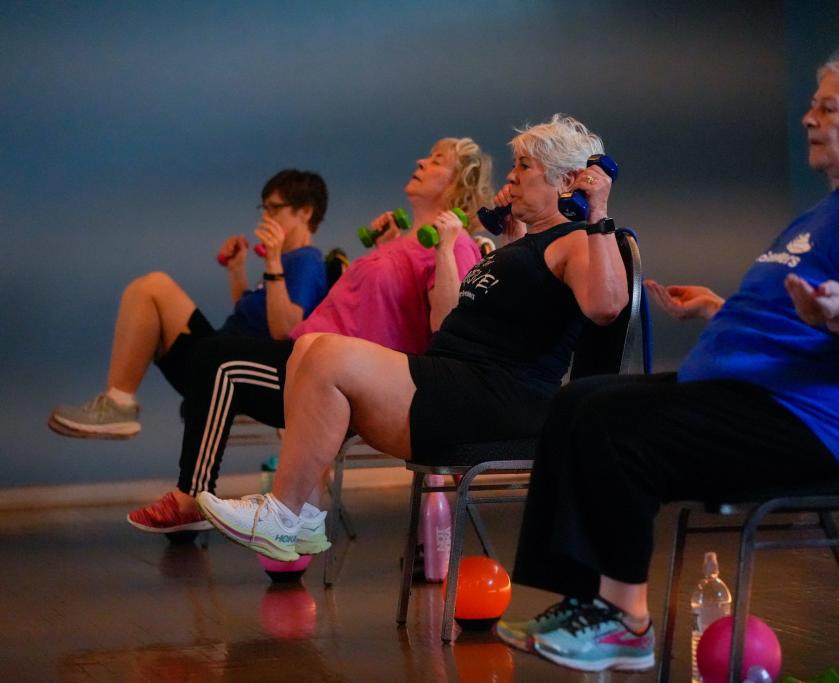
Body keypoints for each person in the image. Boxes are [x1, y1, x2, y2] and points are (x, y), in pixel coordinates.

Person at [496, 53, 839, 674]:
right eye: (812, 104)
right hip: (759, 396)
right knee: (582, 400)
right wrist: (719, 311)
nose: (808, 118)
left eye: (828, 107)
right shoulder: (828, 211)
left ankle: (624, 621)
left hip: (816, 419)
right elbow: (797, 317)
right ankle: (586, 603)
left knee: (614, 426)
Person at [196, 114, 630, 563]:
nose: (511, 177)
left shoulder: (580, 240)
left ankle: (283, 513)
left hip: (496, 396)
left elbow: (607, 305)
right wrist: (512, 231)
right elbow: (504, 306)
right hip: (458, 379)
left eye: (523, 167)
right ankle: (301, 518)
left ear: (565, 181)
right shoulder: (530, 242)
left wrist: (597, 212)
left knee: (324, 354)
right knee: (308, 347)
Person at [127, 137, 492, 534]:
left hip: (335, 376)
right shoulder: (399, 244)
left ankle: (191, 498)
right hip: (305, 352)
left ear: (459, 183)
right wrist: (387, 250)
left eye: (437, 161)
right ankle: (203, 498)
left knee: (220, 362)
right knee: (209, 355)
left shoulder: (456, 246)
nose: (422, 160)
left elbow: (447, 327)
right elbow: (379, 305)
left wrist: (446, 247)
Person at [49, 169, 330, 439]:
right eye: (264, 209)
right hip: (222, 354)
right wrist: (236, 270)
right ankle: (118, 401)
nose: (265, 217)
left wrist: (272, 262)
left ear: (305, 211)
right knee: (142, 291)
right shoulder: (283, 263)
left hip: (234, 370)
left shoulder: (306, 261)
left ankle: (119, 405)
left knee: (154, 287)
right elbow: (252, 320)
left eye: (274, 208)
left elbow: (285, 331)